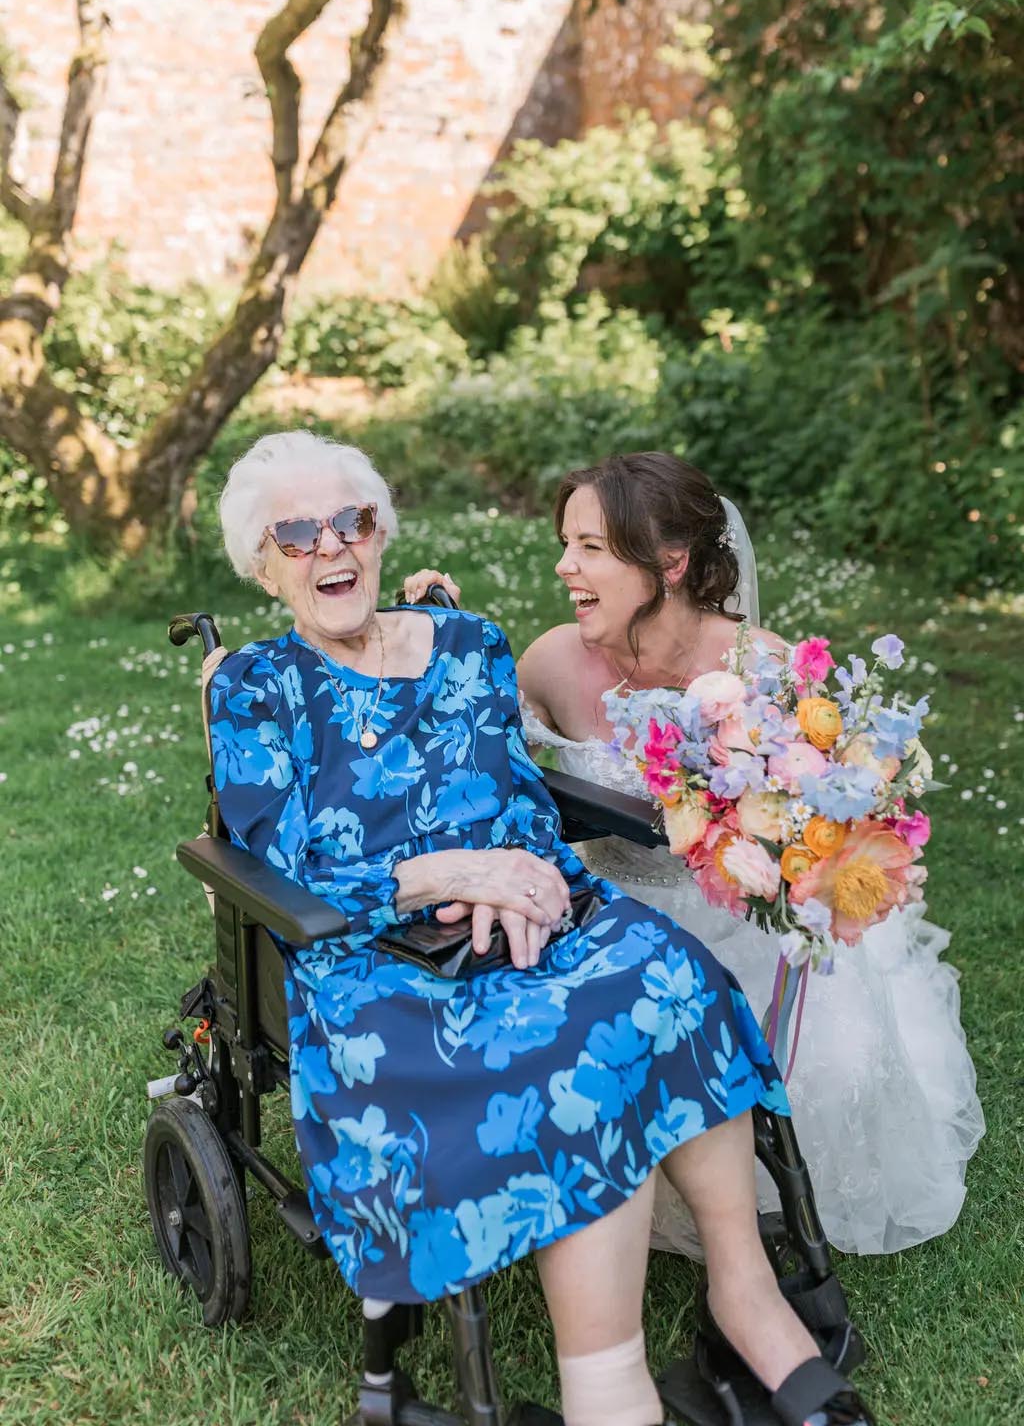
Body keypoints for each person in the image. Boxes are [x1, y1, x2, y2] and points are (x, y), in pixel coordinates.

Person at [209, 431, 874, 1426]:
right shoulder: (254, 685)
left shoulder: (469, 645)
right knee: (572, 1053)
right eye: (292, 535)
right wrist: (448, 872)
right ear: (262, 566)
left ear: (381, 532)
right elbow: (286, 853)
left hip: (528, 908)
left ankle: (747, 1299)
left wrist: (516, 873)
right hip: (375, 955)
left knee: (676, 983)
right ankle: (608, 1390)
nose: (327, 547)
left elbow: (517, 796)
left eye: (349, 522)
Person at [406, 451, 984, 1260]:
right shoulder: (551, 660)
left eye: (592, 548)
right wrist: (434, 634)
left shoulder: (760, 670)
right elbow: (448, 731)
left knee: (836, 1074)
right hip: (606, 916)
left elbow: (814, 827)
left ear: (670, 562)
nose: (564, 567)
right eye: (566, 544)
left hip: (740, 923)